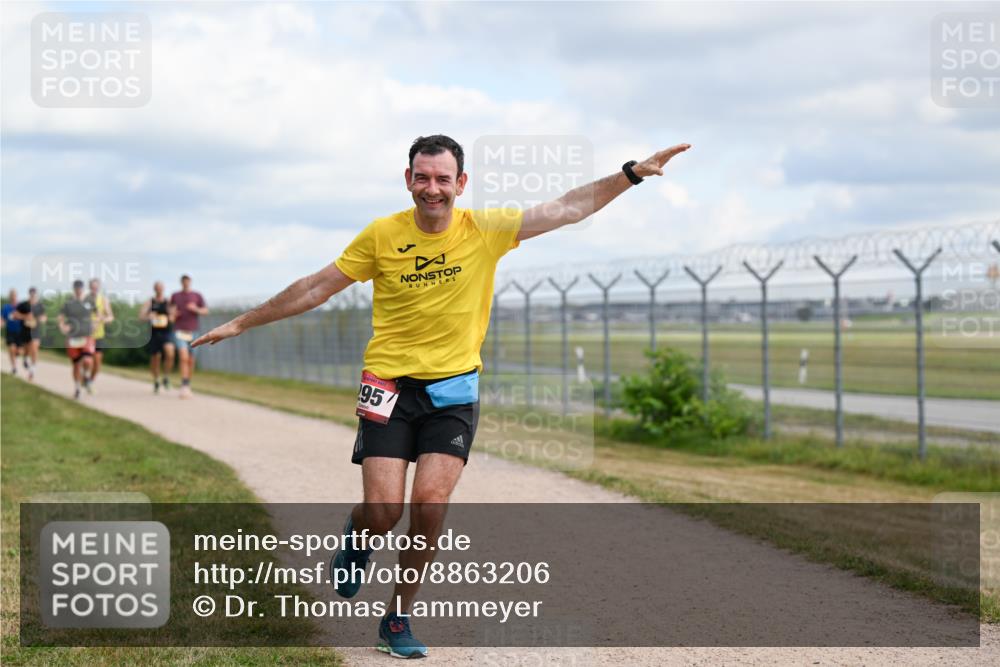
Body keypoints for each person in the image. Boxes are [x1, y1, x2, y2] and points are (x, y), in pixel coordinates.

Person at [193, 134, 690, 657]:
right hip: (388, 385)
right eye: (422, 178)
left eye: (443, 179)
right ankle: (359, 530)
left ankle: (397, 617)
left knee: (429, 503)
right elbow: (317, 287)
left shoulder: (486, 229)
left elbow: (568, 208)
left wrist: (630, 174)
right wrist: (243, 323)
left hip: (454, 389)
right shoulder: (382, 236)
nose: (433, 189)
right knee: (384, 512)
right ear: (409, 180)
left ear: (461, 183)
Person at [170, 275, 208, 399]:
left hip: (194, 331)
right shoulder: (175, 296)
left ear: (190, 282)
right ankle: (184, 385)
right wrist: (173, 314)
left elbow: (206, 311)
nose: (186, 283)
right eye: (184, 282)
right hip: (179, 330)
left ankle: (187, 383)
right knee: (183, 356)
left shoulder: (197, 295)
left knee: (191, 360)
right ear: (181, 282)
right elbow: (170, 313)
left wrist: (195, 309)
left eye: (188, 281)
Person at [58, 280, 96, 399]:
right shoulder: (68, 303)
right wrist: (63, 326)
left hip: (87, 335)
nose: (78, 290)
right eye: (76, 288)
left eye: (80, 288)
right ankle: (77, 388)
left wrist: (95, 323)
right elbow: (60, 317)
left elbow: (98, 314)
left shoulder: (89, 301)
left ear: (83, 289)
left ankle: (86, 376)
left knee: (88, 360)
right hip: (73, 337)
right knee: (76, 365)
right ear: (74, 289)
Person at [139, 281, 177, 393]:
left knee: (170, 353)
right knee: (156, 358)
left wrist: (171, 317)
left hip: (166, 332)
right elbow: (141, 316)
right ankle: (156, 380)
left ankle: (165, 377)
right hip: (154, 333)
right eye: (157, 288)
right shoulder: (149, 302)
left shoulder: (168, 302)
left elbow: (174, 316)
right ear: (154, 289)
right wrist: (148, 316)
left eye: (161, 287)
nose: (159, 289)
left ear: (163, 288)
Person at [85, 278, 114, 392]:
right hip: (86, 335)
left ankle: (90, 381)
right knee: (88, 360)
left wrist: (102, 319)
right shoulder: (85, 299)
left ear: (99, 287)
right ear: (89, 287)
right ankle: (85, 377)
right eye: (92, 286)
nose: (94, 289)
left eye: (96, 287)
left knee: (97, 363)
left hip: (99, 335)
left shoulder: (103, 300)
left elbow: (111, 317)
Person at [14, 287, 47, 381]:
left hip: (36, 331)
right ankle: (25, 358)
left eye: (34, 293)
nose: (33, 295)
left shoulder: (40, 306)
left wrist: (41, 319)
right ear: (29, 294)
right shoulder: (23, 304)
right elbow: (15, 315)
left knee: (34, 349)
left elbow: (44, 317)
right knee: (27, 350)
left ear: (36, 294)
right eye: (31, 293)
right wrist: (25, 316)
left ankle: (32, 371)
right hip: (25, 331)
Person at [2, 288, 24, 375]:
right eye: (12, 296)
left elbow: (27, 317)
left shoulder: (21, 306)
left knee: (19, 351)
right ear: (10, 297)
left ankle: (18, 354)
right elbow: (2, 319)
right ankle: (14, 367)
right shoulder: (6, 307)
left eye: (14, 296)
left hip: (20, 332)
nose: (13, 297)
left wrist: (19, 316)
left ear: (17, 296)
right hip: (10, 331)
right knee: (11, 348)